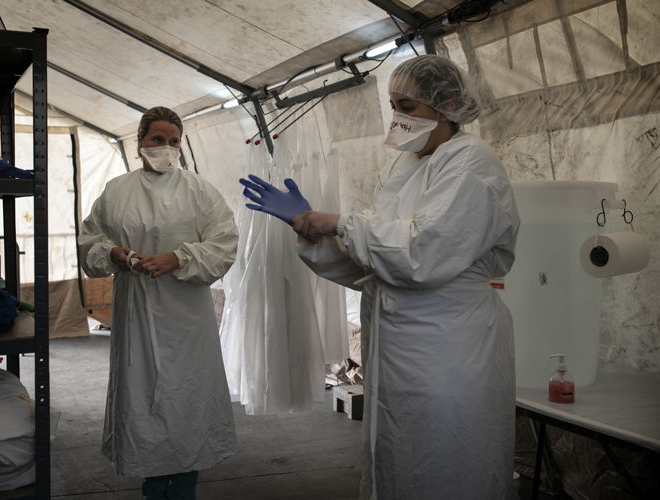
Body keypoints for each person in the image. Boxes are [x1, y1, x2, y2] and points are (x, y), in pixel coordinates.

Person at [240, 55, 520, 499]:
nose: (398, 119)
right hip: (402, 344)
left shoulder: (471, 163)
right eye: (393, 106)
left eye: (408, 106)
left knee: (447, 458)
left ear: (447, 104)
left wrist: (341, 223)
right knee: (401, 455)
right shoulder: (408, 168)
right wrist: (310, 227)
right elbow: (377, 260)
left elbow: (421, 254)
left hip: (448, 344)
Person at [78, 106, 238, 499]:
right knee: (143, 397)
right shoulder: (117, 192)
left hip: (186, 315)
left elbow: (224, 245)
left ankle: (184, 486)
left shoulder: (200, 191)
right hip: (135, 308)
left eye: (173, 141)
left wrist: (179, 258)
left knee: (187, 397)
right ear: (140, 144)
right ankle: (154, 486)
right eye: (157, 140)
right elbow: (89, 242)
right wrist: (116, 254)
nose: (166, 149)